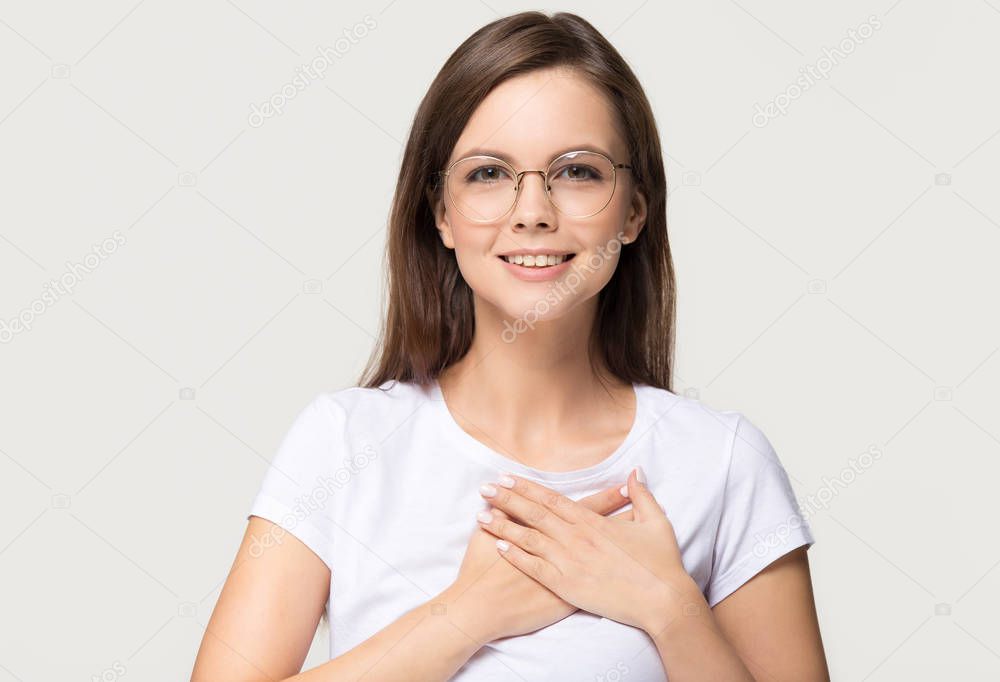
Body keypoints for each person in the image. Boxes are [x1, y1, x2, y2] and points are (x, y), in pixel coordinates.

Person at [192, 11, 829, 681]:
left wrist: (666, 606)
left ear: (634, 210)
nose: (532, 211)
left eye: (576, 172)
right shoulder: (343, 443)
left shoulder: (721, 463)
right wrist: (468, 614)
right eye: (489, 173)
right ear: (440, 212)